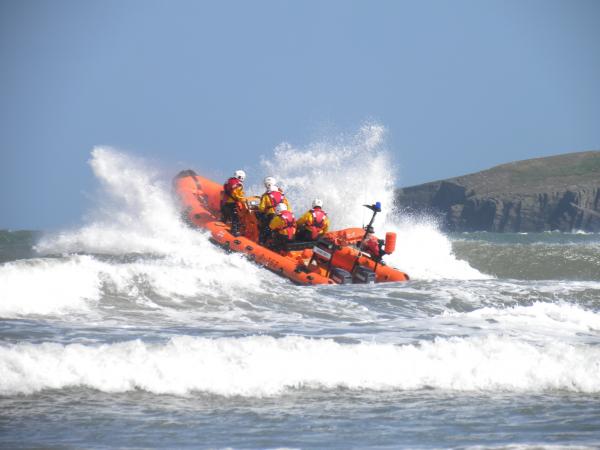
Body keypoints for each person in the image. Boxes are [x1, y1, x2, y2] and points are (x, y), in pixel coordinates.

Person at [257, 176, 291, 244]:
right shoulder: (282, 195)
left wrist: (261, 212)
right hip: (283, 216)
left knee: (265, 228)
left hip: (271, 214)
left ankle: (262, 242)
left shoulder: (266, 196)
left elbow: (261, 208)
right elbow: (288, 207)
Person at [221, 169, 246, 236]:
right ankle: (234, 231)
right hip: (231, 203)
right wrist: (243, 200)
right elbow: (236, 194)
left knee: (226, 215)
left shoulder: (230, 180)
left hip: (225, 202)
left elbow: (228, 189)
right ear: (241, 177)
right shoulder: (238, 184)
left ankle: (222, 223)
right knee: (235, 218)